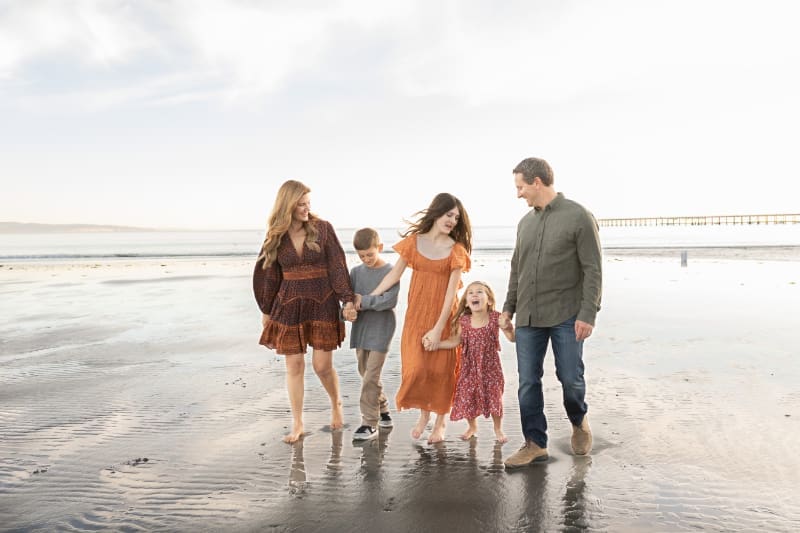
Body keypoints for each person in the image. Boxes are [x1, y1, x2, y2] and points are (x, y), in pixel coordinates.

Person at [502, 157, 602, 469]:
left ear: (537, 182)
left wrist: (588, 313)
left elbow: (593, 269)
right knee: (527, 382)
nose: (519, 194)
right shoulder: (524, 224)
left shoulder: (579, 216)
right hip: (529, 317)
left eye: (521, 187)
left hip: (567, 315)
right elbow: (516, 270)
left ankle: (579, 421)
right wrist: (508, 308)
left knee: (570, 378)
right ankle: (535, 444)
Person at [253, 180, 357, 444]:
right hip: (288, 304)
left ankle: (336, 403)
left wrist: (346, 300)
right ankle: (298, 422)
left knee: (322, 366)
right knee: (294, 366)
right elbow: (267, 273)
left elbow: (337, 265)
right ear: (287, 205)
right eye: (300, 204)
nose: (306, 209)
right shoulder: (275, 235)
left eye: (308, 203)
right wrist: (266, 308)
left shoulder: (323, 229)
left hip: (322, 300)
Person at [368, 193, 472, 444]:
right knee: (418, 369)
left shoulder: (456, 250)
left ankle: (440, 421)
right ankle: (425, 414)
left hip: (444, 316)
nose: (452, 221)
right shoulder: (414, 243)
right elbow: (394, 275)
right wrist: (369, 297)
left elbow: (450, 296)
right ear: (437, 212)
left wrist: (438, 330)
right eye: (449, 215)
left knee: (441, 370)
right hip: (416, 315)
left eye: (456, 218)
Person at [433, 280, 515, 443]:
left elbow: (512, 339)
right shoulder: (464, 321)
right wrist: (437, 344)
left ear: (489, 300)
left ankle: (497, 429)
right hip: (468, 367)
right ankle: (472, 426)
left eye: (479, 292)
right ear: (466, 302)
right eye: (470, 293)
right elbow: (454, 341)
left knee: (494, 397)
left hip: (490, 367)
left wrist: (509, 328)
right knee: (468, 396)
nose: (474, 294)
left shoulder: (495, 318)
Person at [349, 228, 400, 441]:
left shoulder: (391, 271)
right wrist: (348, 309)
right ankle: (384, 409)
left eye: (370, 254)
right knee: (365, 373)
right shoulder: (355, 273)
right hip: (361, 329)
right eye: (362, 256)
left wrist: (363, 301)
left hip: (382, 328)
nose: (366, 259)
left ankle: (369, 423)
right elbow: (349, 300)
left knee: (371, 376)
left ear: (379, 248)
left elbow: (389, 301)